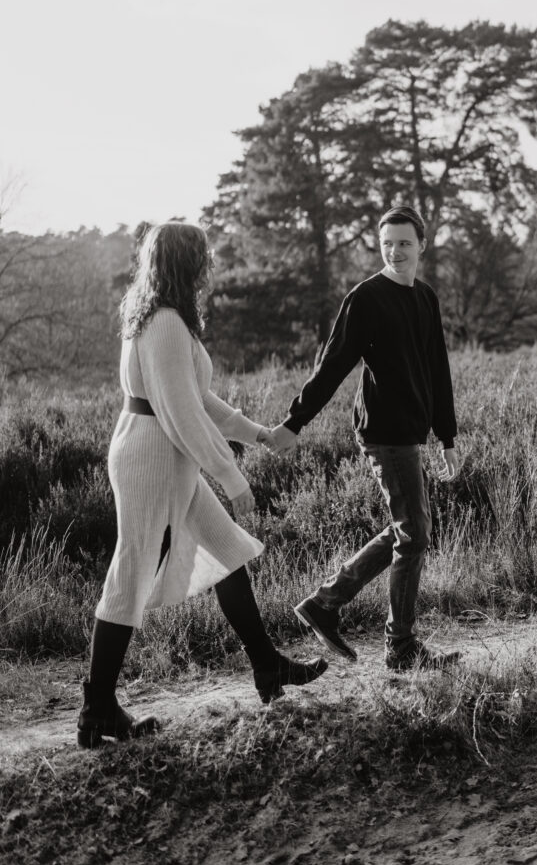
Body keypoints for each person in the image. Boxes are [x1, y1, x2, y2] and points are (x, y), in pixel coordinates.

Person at [78, 222, 327, 750]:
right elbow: (183, 415)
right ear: (188, 264)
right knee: (131, 570)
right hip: (153, 459)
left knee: (228, 550)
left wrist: (255, 433)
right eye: (204, 258)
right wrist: (232, 477)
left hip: (163, 454)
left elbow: (197, 399)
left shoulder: (158, 316)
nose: (209, 267)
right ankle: (96, 706)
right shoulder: (165, 322)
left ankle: (267, 668)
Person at [267, 205, 460, 672]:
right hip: (383, 431)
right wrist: (295, 422)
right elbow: (333, 365)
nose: (395, 251)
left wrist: (447, 435)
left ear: (422, 246)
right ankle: (400, 647)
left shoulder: (425, 298)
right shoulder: (366, 298)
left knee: (407, 530)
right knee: (414, 535)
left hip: (411, 430)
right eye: (387, 243)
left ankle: (325, 604)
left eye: (404, 243)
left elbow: (437, 367)